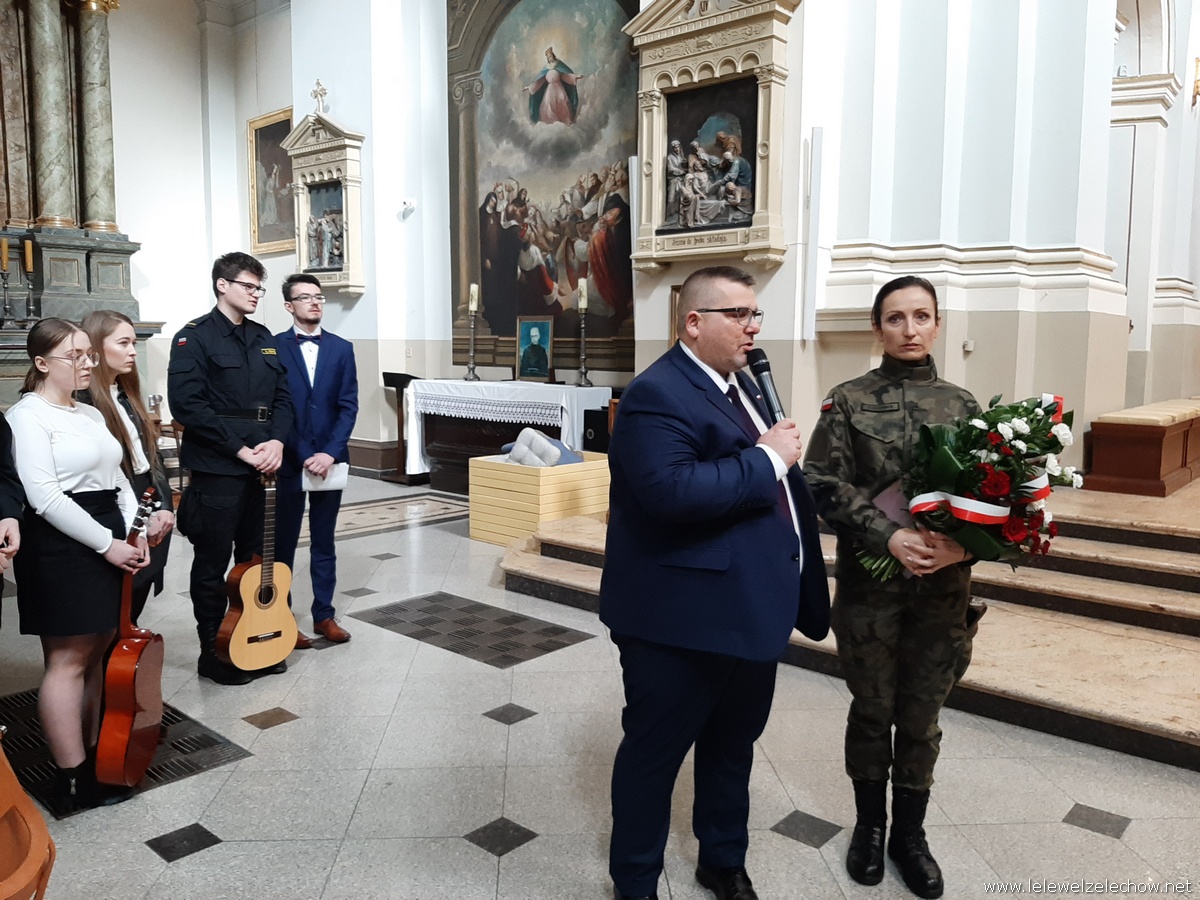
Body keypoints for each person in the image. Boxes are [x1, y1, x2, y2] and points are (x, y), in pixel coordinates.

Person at [600, 266, 830, 900]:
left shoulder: (743, 383)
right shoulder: (656, 393)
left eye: (756, 315)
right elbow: (672, 492)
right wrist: (768, 457)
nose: (753, 327)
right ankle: (636, 882)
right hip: (679, 619)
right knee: (654, 756)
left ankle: (723, 860)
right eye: (739, 315)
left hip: (750, 607)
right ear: (694, 322)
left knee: (732, 746)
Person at [803, 275, 982, 900]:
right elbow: (821, 481)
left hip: (942, 592)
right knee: (873, 709)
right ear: (877, 328)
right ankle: (870, 828)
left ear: (938, 324)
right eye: (896, 318)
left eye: (922, 316)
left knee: (923, 717)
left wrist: (965, 545)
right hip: (870, 591)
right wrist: (888, 535)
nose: (910, 329)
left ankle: (910, 835)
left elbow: (994, 500)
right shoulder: (848, 401)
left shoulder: (965, 406)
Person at [8, 317, 148, 811]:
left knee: (97, 652)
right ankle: (68, 776)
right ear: (42, 363)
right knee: (68, 659)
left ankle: (92, 756)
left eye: (89, 353)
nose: (88, 363)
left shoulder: (88, 412)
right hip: (60, 544)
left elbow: (119, 479)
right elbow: (44, 496)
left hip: (107, 531)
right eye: (75, 356)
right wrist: (108, 544)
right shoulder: (27, 416)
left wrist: (132, 532)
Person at [167, 251, 294, 686]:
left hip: (265, 466)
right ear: (223, 285)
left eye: (260, 288)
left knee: (255, 561)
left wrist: (277, 441)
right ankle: (213, 650)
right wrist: (241, 450)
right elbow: (188, 406)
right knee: (212, 561)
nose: (257, 294)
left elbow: (283, 397)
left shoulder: (264, 337)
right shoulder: (194, 338)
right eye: (249, 286)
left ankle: (252, 638)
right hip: (220, 468)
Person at [273, 274, 359, 646]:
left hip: (330, 459)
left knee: (324, 541)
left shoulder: (342, 348)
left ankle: (324, 615)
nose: (314, 303)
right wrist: (305, 454)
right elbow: (277, 409)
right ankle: (283, 618)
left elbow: (348, 406)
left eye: (319, 297)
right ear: (289, 305)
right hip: (289, 460)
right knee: (284, 543)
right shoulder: (273, 347)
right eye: (305, 297)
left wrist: (328, 452)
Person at [80, 310, 176, 625]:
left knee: (136, 599)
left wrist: (165, 506)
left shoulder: (127, 394)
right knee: (114, 607)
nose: (133, 351)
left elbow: (151, 457)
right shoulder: (83, 402)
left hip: (146, 494)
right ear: (96, 347)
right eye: (123, 343)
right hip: (117, 501)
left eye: (133, 343)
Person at [523, 46, 584, 125]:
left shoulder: (559, 65)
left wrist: (576, 77)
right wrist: (529, 87)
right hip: (550, 90)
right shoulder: (546, 68)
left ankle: (564, 121)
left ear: (553, 55)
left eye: (551, 56)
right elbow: (539, 81)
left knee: (562, 102)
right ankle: (550, 122)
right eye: (548, 57)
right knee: (548, 104)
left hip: (559, 88)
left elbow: (566, 76)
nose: (550, 58)